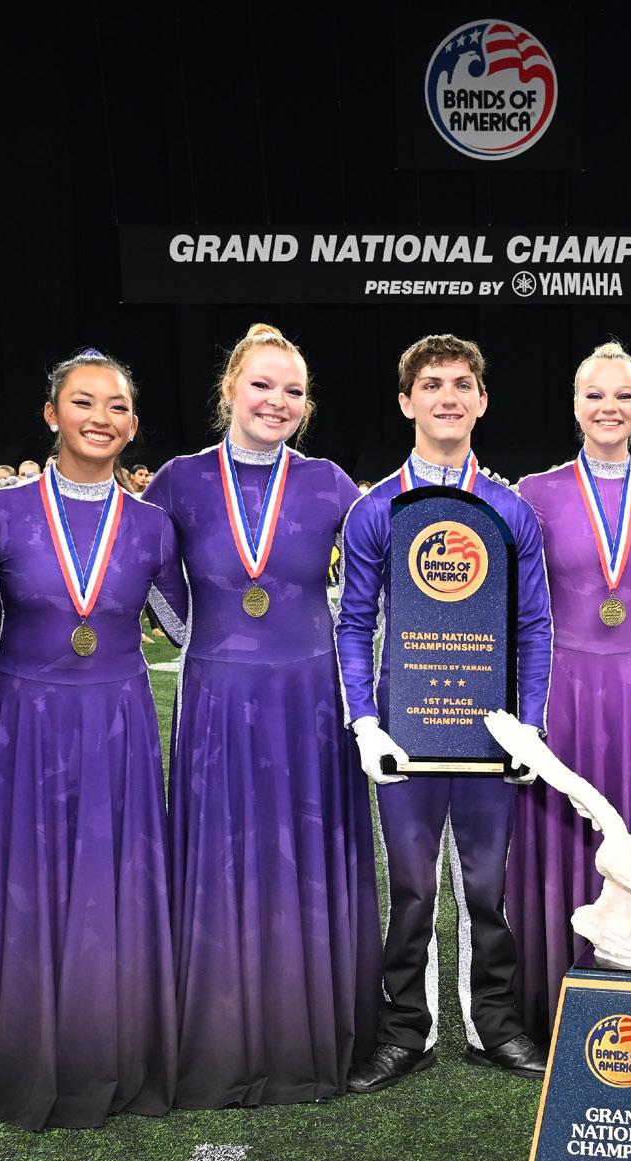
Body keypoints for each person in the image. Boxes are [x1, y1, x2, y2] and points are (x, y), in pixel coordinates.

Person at [144, 323, 380, 1106]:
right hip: (217, 699)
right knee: (223, 853)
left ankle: (309, 1029)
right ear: (229, 391)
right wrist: (204, 638)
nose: (277, 401)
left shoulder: (329, 482)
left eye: (293, 391)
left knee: (303, 853)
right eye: (262, 385)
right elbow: (144, 570)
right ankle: (219, 1033)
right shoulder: (179, 480)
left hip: (310, 701)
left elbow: (402, 544)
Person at [336, 333, 554, 1093]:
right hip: (407, 731)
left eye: (462, 383)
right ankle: (406, 1031)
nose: (448, 397)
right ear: (406, 401)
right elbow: (354, 622)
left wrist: (532, 724)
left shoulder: (510, 509)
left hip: (490, 732)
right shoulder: (375, 509)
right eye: (431, 384)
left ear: (483, 400)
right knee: (411, 888)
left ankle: (494, 1024)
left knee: (488, 888)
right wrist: (365, 720)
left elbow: (534, 626)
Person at [0, 349, 180, 1130]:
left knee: (116, 884)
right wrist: (0, 710)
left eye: (117, 406)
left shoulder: (154, 524)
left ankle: (115, 1060)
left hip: (120, 721)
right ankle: (30, 1062)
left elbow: (190, 625)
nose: (101, 418)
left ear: (133, 423)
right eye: (83, 402)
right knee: (32, 886)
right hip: (25, 722)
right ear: (51, 414)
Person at [508, 341, 631, 1043]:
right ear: (576, 404)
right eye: (595, 395)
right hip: (564, 690)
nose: (609, 407)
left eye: (623, 395)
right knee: (561, 831)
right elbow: (516, 599)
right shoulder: (535, 492)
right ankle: (549, 997)